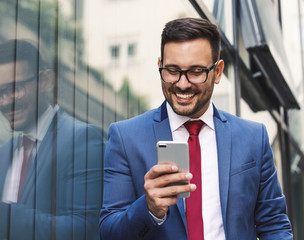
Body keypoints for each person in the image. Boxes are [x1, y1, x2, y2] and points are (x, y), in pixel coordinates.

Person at [99, 17, 293, 239]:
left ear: (218, 72)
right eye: (172, 70)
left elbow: (275, 225)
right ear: (160, 64)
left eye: (196, 71)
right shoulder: (125, 138)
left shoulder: (253, 138)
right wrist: (149, 208)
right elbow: (108, 232)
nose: (182, 84)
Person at [0, 39, 104, 239]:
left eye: (14, 89)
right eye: (0, 93)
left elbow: (85, 228)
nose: (5, 102)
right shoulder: (4, 152)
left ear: (46, 81)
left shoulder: (83, 139)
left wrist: (5, 215)